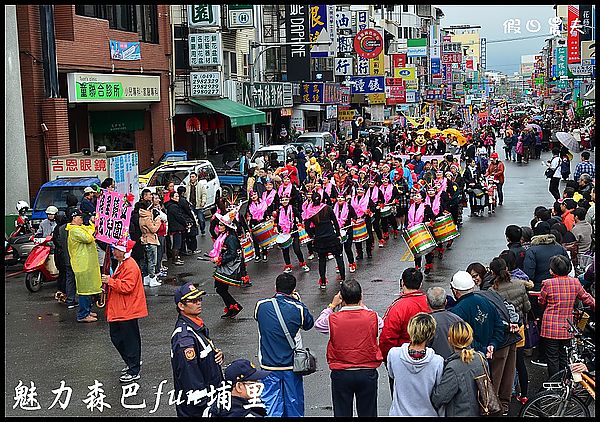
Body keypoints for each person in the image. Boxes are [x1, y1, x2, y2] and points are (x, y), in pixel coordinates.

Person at [314, 280, 383, 417]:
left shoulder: (333, 318)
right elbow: (380, 324)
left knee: (342, 413)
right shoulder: (372, 317)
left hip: (341, 373)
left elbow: (318, 324)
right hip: (367, 371)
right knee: (368, 413)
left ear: (342, 298)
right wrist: (362, 306)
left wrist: (331, 305)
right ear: (360, 296)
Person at [254, 273, 314, 417]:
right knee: (294, 406)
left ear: (275, 287)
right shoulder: (298, 308)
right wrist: (299, 302)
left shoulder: (261, 306)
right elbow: (308, 324)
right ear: (293, 290)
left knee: (271, 406)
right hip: (291, 366)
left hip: (268, 366)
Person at [171, 282, 225, 417]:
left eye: (199, 299)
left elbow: (203, 353)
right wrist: (207, 405)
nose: (199, 303)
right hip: (199, 408)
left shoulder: (195, 325)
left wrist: (215, 355)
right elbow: (190, 377)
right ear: (181, 306)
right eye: (193, 301)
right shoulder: (184, 338)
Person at [539, 255, 595, 378]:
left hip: (550, 326)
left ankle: (554, 383)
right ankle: (565, 380)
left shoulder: (548, 284)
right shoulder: (575, 282)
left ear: (552, 270)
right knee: (564, 355)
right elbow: (587, 299)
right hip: (567, 325)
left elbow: (541, 301)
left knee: (552, 357)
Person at [102, 238, 148, 383]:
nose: (113, 251)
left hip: (127, 309)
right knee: (118, 338)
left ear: (123, 251)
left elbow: (127, 287)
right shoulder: (123, 264)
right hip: (121, 308)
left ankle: (134, 368)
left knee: (128, 340)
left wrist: (110, 281)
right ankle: (131, 362)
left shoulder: (130, 266)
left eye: (115, 249)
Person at [488, 257, 531, 412]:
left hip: (502, 332)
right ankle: (524, 394)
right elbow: (527, 307)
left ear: (492, 272)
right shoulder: (520, 285)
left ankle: (504, 397)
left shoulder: (492, 291)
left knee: (504, 367)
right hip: (519, 330)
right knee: (519, 364)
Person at [379, 268, 431, 391]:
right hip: (427, 358)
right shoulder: (430, 303)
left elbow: (387, 338)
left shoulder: (398, 307)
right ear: (421, 284)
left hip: (403, 361)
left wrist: (390, 360)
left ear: (402, 283)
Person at [387, 312, 444, 416]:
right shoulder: (437, 362)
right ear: (431, 334)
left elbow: (392, 375)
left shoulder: (394, 354)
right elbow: (438, 392)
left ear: (410, 330)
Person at [430, 321, 486, 416]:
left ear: (450, 340)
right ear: (470, 338)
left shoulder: (453, 367)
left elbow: (439, 398)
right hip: (480, 412)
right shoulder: (480, 358)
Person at [449, 271, 505, 358]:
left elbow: (462, 338)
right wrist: (492, 345)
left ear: (455, 291)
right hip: (491, 353)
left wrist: (484, 349)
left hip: (470, 357)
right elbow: (499, 326)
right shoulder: (486, 301)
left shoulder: (457, 311)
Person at [65, 209, 102, 322]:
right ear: (73, 218)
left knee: (90, 289)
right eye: (79, 217)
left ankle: (87, 311)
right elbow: (89, 237)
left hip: (87, 264)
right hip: (82, 265)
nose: (81, 219)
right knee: (85, 291)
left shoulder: (80, 228)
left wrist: (93, 222)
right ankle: (83, 315)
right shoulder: (74, 231)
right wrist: (92, 231)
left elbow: (91, 229)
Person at [303, 191, 345, 289]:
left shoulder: (310, 211)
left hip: (319, 238)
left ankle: (323, 282)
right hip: (331, 236)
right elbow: (335, 222)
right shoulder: (327, 208)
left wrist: (312, 235)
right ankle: (343, 279)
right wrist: (338, 234)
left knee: (322, 260)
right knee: (339, 257)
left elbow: (307, 226)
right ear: (321, 199)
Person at [210, 211, 245, 318]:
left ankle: (235, 306)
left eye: (221, 225)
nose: (219, 226)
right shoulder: (223, 236)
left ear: (226, 226)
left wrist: (220, 259)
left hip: (228, 266)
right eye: (219, 224)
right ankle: (232, 307)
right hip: (224, 266)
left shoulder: (231, 238)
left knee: (221, 289)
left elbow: (233, 254)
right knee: (221, 289)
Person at [523, 221, 569, 290]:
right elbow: (568, 267)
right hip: (561, 286)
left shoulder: (531, 251)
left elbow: (529, 274)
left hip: (540, 288)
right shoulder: (560, 248)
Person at [426, 286, 464, 359]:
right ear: (446, 302)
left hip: (433, 363)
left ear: (427, 302)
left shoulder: (425, 323)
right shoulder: (458, 320)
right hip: (455, 361)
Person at [276, 195, 309, 274]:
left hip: (293, 231)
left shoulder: (293, 208)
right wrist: (275, 227)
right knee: (285, 250)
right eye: (283, 200)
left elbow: (299, 217)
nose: (284, 201)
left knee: (297, 249)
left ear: (289, 200)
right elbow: (276, 221)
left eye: (286, 199)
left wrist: (300, 225)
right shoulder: (279, 210)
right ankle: (288, 266)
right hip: (284, 232)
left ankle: (303, 264)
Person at [138, 196, 162, 287]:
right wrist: (158, 220)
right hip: (150, 240)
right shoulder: (147, 218)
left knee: (147, 261)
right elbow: (154, 229)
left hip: (144, 240)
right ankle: (152, 278)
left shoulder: (141, 216)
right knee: (152, 261)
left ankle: (147, 278)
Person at [165, 191, 188, 266]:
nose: (177, 198)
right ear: (172, 197)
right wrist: (185, 223)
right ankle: (175, 259)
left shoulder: (172, 206)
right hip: (176, 227)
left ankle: (177, 258)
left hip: (176, 227)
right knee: (176, 244)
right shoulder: (173, 206)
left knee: (177, 243)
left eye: (178, 196)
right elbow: (179, 217)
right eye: (176, 196)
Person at [185, 172, 208, 236]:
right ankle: (193, 232)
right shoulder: (187, 186)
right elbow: (185, 194)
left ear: (196, 177)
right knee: (192, 219)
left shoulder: (200, 185)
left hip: (199, 205)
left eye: (193, 177)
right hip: (190, 205)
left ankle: (202, 230)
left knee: (201, 220)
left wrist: (203, 202)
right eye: (190, 177)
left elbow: (204, 194)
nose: (191, 178)